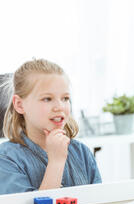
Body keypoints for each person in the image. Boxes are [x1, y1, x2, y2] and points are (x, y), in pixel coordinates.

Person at [0, 58, 101, 195]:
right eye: (47, 99)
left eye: (65, 98)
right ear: (19, 105)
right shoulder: (6, 158)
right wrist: (56, 162)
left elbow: (97, 203)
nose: (59, 107)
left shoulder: (82, 153)